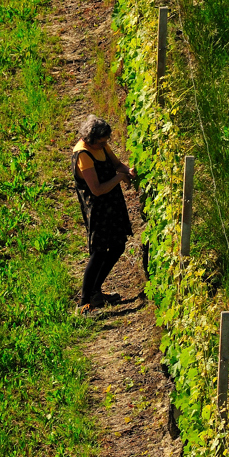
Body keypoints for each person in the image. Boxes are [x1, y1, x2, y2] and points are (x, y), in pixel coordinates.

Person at [72, 114, 136, 314]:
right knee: (99, 251)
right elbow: (97, 189)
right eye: (101, 142)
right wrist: (120, 177)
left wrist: (128, 171)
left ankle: (95, 291)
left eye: (106, 141)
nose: (105, 145)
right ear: (90, 139)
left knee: (117, 246)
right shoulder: (83, 154)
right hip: (98, 208)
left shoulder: (101, 146)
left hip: (112, 203)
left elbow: (117, 165)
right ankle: (84, 302)